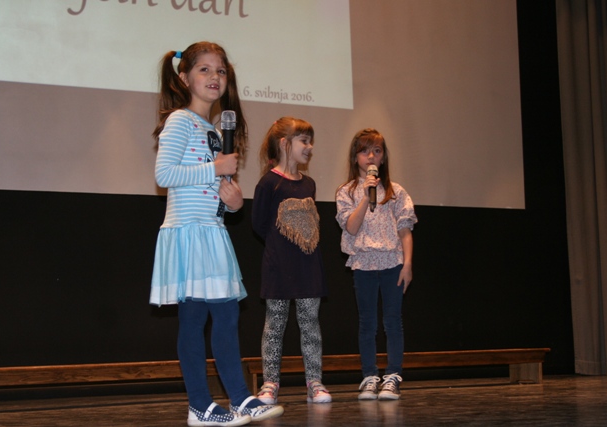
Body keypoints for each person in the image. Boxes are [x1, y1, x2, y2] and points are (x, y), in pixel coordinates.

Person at [149, 41, 284, 426]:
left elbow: (216, 191)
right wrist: (214, 168)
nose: (214, 77)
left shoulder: (213, 129)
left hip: (212, 231)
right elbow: (164, 174)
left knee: (226, 316)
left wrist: (235, 202)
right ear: (184, 78)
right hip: (189, 232)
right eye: (204, 69)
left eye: (221, 71)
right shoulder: (180, 120)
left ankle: (239, 398)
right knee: (196, 320)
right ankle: (200, 405)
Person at [251, 117, 332, 405]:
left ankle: (315, 382)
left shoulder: (309, 184)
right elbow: (259, 224)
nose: (310, 147)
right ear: (285, 143)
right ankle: (270, 383)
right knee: (274, 326)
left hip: (308, 267)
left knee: (310, 325)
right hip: (278, 267)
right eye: (304, 141)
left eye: (311, 141)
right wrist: (281, 247)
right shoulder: (269, 183)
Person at [335, 128, 417, 401]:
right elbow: (351, 226)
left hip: (393, 262)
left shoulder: (396, 192)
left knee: (393, 321)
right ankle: (369, 376)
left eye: (377, 151)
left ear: (383, 157)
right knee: (367, 323)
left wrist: (407, 265)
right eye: (364, 150)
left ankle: (392, 377)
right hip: (364, 263)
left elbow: (405, 231)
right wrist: (364, 195)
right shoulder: (346, 191)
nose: (371, 156)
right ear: (355, 156)